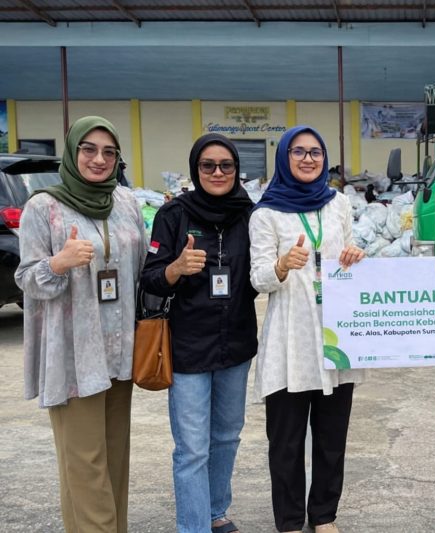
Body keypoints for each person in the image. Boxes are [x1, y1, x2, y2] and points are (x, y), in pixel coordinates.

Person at [15, 116, 147, 532]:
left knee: (113, 457)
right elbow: (26, 278)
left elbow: (142, 269)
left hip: (119, 352)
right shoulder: (44, 207)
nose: (99, 159)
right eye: (88, 149)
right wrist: (58, 263)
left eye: (109, 152)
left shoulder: (125, 203)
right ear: (73, 153)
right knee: (84, 463)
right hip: (73, 354)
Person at [249, 126, 365, 533]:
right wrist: (282, 265)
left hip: (336, 337)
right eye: (298, 152)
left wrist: (354, 257)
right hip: (289, 341)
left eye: (315, 152)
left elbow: (351, 257)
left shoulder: (339, 205)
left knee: (332, 439)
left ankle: (324, 516)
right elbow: (257, 278)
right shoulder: (266, 213)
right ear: (284, 157)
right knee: (286, 443)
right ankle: (290, 521)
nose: (307, 159)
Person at [141, 133, 257, 533]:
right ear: (196, 169)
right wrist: (175, 268)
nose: (218, 172)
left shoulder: (250, 215)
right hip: (189, 347)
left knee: (226, 437)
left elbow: (258, 277)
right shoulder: (173, 216)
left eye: (226, 165)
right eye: (208, 165)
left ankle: (216, 512)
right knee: (192, 448)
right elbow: (151, 278)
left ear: (237, 170)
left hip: (236, 344)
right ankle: (194, 526)